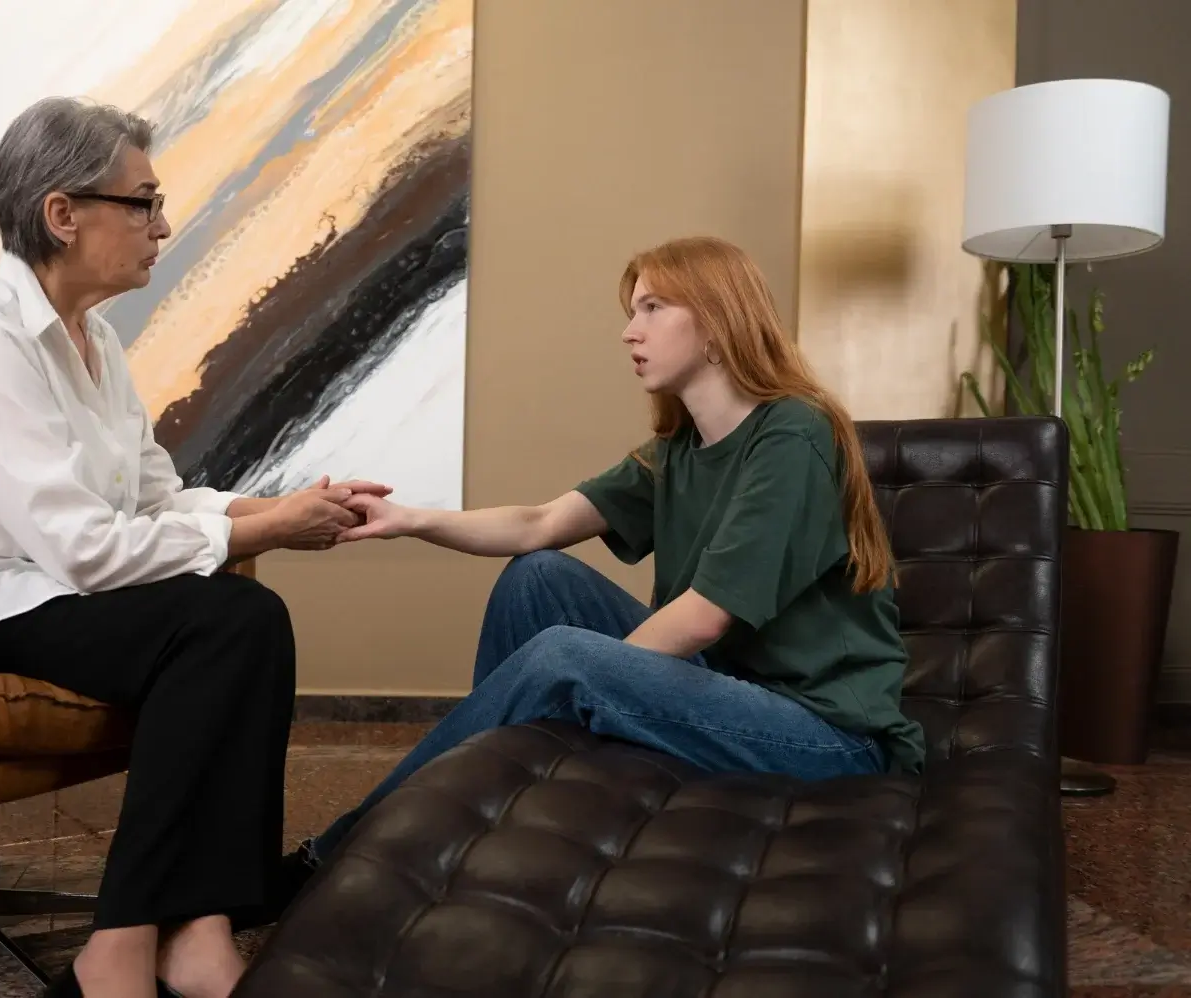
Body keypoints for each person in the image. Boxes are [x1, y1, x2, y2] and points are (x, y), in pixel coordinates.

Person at [0, 96, 388, 998]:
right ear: (63, 213)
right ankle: (120, 945)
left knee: (243, 619)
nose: (163, 225)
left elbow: (157, 497)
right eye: (144, 202)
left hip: (38, 583)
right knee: (222, 623)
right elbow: (87, 551)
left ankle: (199, 930)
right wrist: (265, 530)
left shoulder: (96, 343)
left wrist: (281, 506)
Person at [278, 234, 927, 891]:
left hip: (829, 738)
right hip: (728, 689)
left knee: (567, 658)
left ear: (715, 320)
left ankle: (343, 854)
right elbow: (540, 524)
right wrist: (411, 520)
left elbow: (703, 619)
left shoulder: (793, 435)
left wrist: (602, 679)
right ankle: (486, 815)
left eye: (650, 309)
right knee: (536, 577)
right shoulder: (679, 449)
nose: (628, 332)